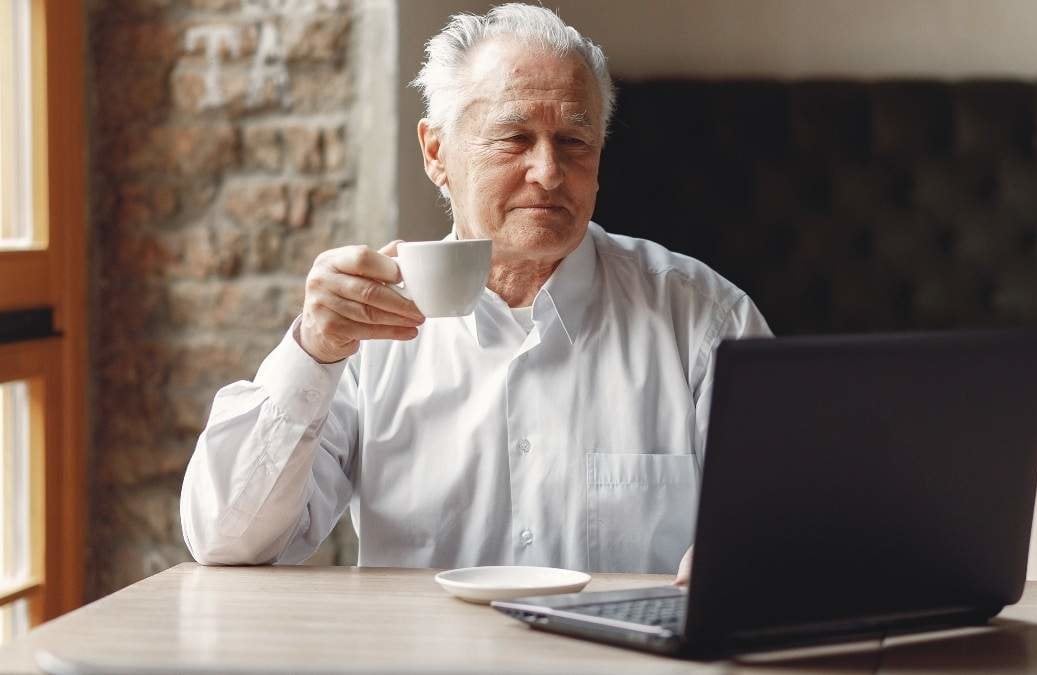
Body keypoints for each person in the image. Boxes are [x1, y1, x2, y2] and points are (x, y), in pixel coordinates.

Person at [179, 3, 771, 580]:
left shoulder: (704, 318)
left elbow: (788, 524)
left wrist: (749, 558)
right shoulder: (368, 326)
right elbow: (229, 541)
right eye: (514, 138)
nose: (548, 171)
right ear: (437, 153)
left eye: (574, 142)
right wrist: (312, 351)